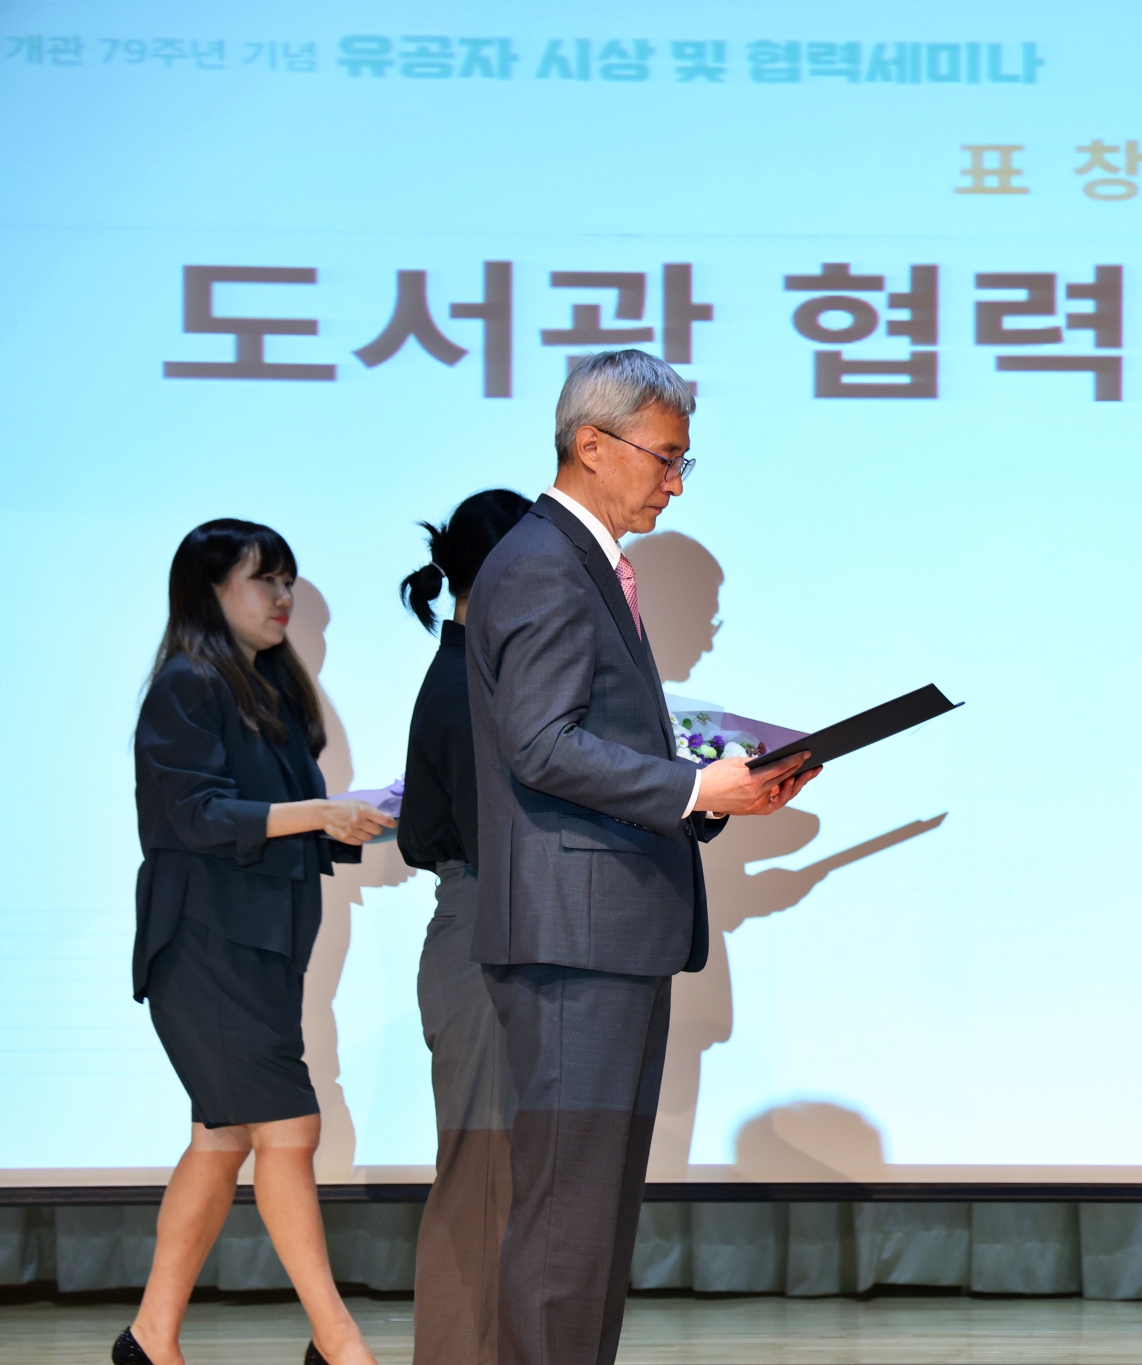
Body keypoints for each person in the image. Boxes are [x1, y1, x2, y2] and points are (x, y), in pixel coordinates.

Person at [466, 349, 818, 1365]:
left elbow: (582, 744)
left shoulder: (574, 562)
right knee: (568, 1218)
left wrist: (714, 796)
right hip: (576, 940)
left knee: (594, 1215)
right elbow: (539, 745)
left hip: (604, 931)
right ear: (591, 445)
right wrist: (695, 787)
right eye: (665, 458)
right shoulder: (540, 561)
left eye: (682, 462)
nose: (674, 481)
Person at [122, 520, 393, 1365]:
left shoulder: (267, 688)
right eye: (263, 580)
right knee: (289, 1129)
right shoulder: (185, 683)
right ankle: (338, 1342)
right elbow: (191, 817)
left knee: (223, 1137)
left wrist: (373, 814)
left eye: (289, 580)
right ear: (210, 592)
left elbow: (275, 822)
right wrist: (320, 811)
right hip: (203, 945)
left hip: (262, 947)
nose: (282, 597)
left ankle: (150, 1337)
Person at [396, 489, 533, 1365]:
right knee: (482, 1180)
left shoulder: (471, 670)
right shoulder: (471, 682)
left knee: (502, 1182)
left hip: (484, 927)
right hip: (487, 932)